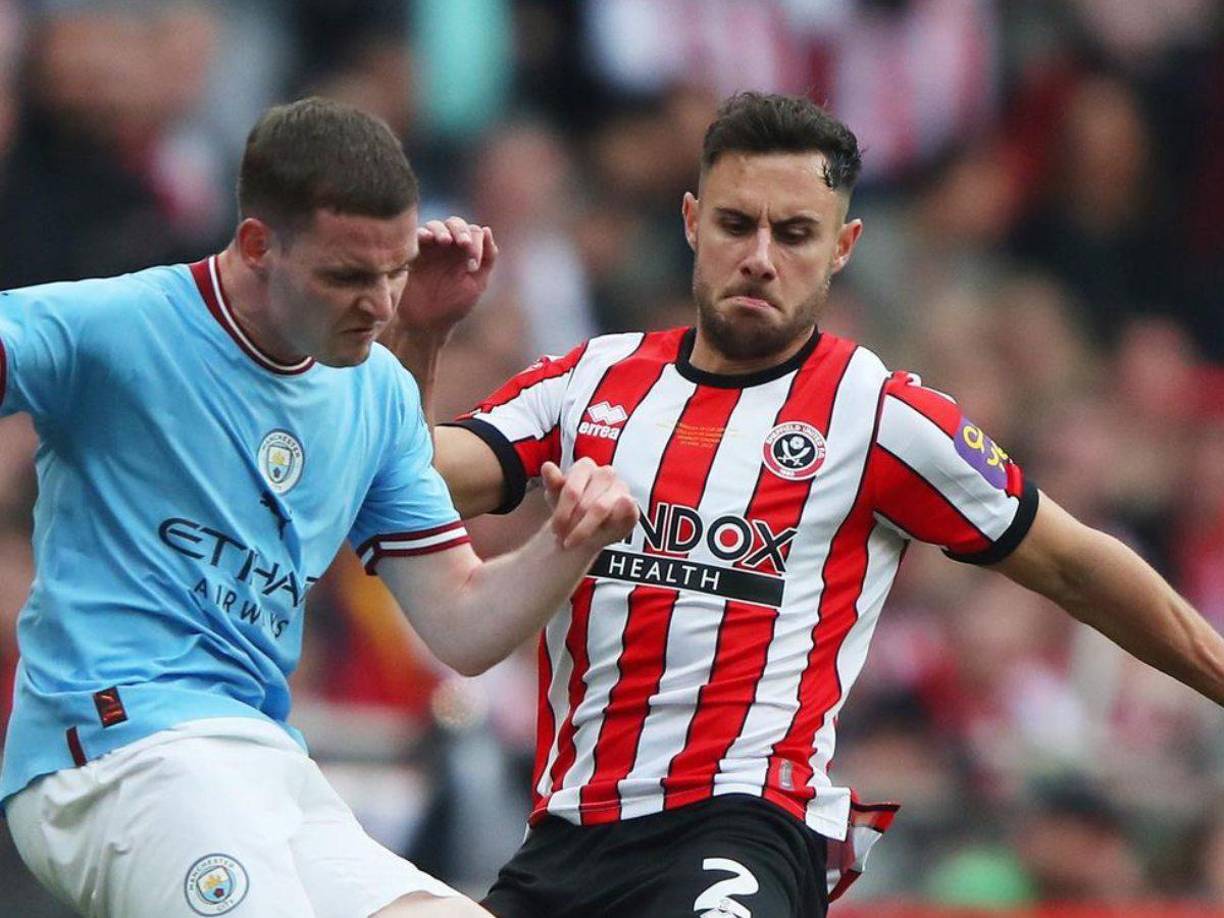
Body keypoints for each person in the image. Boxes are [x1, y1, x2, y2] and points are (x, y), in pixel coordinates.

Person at [394, 92, 1224, 918]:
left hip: (742, 828)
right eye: (735, 225)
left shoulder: (881, 416)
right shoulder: (590, 382)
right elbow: (410, 473)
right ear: (691, 221)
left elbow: (1075, 563)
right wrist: (420, 337)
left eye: (793, 234)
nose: (760, 257)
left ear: (842, 247)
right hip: (567, 837)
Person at [0, 97, 638, 918]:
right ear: (259, 245)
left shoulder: (374, 392)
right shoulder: (117, 326)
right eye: (347, 276)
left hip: (262, 760)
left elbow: (463, 625)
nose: (379, 304)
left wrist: (569, 539)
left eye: (395, 270)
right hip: (115, 753)